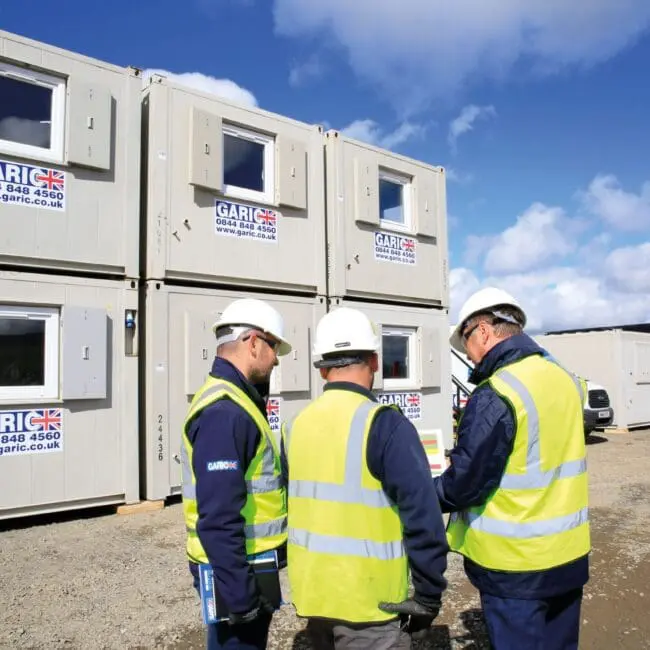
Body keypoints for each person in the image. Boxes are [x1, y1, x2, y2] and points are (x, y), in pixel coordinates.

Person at [281, 307, 448, 649]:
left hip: (315, 598)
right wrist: (429, 596)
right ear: (374, 361)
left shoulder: (293, 426)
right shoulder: (387, 425)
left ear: (322, 367)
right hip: (372, 607)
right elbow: (422, 517)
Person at [435, 287, 590, 650]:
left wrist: (420, 490)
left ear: (484, 332)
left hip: (516, 569)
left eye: (466, 343)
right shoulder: (565, 379)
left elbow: (464, 485)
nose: (469, 356)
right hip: (568, 556)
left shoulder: (497, 392)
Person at [180, 298, 292, 650]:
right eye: (273, 347)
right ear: (253, 342)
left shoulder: (236, 401)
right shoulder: (226, 412)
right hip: (236, 570)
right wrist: (241, 597)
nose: (276, 358)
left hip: (243, 564)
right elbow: (218, 517)